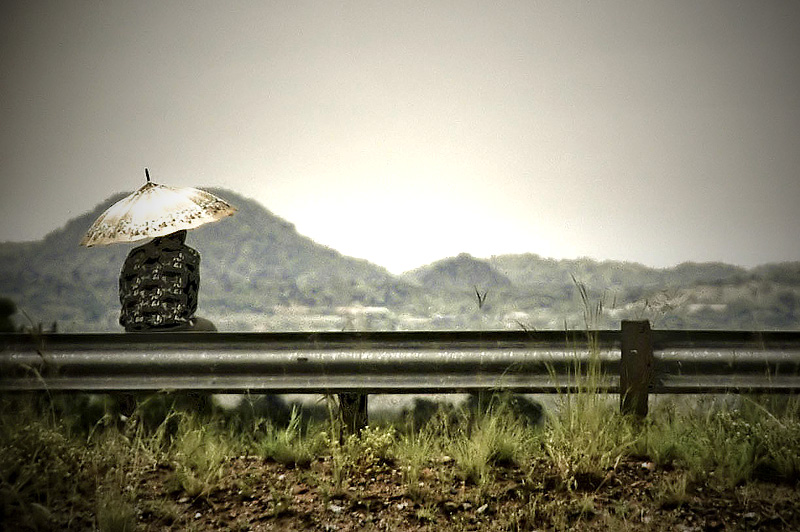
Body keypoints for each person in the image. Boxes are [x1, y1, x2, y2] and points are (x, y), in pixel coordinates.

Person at [119, 229, 216, 331]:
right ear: (182, 233)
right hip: (175, 326)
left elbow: (124, 294)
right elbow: (191, 303)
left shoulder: (134, 255)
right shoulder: (189, 255)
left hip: (135, 327)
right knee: (208, 328)